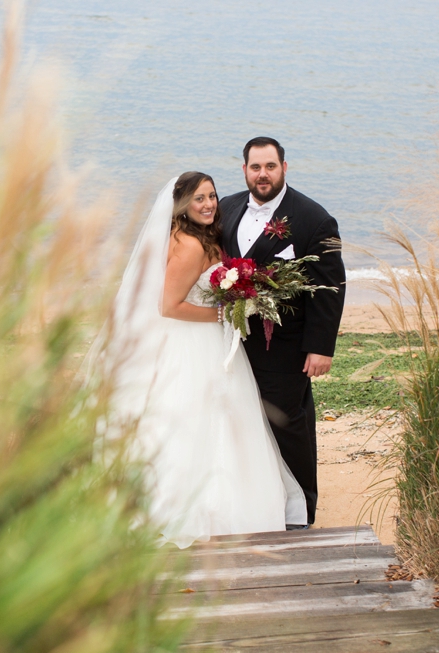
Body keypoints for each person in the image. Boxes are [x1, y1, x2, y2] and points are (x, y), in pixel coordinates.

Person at [103, 171, 306, 549]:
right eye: (199, 198)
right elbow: (168, 306)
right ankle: (201, 509)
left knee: (216, 418)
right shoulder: (191, 246)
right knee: (204, 419)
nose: (210, 204)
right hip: (195, 343)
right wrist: (224, 314)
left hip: (207, 340)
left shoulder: (197, 238)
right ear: (182, 205)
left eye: (212, 196)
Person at [219, 137, 346, 528]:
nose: (263, 175)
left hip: (286, 349)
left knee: (287, 424)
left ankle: (300, 512)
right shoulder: (225, 208)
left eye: (270, 167)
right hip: (231, 344)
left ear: (284, 168)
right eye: (255, 167)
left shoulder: (315, 219)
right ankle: (255, 503)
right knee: (239, 421)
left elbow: (330, 288)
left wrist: (320, 348)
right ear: (244, 170)